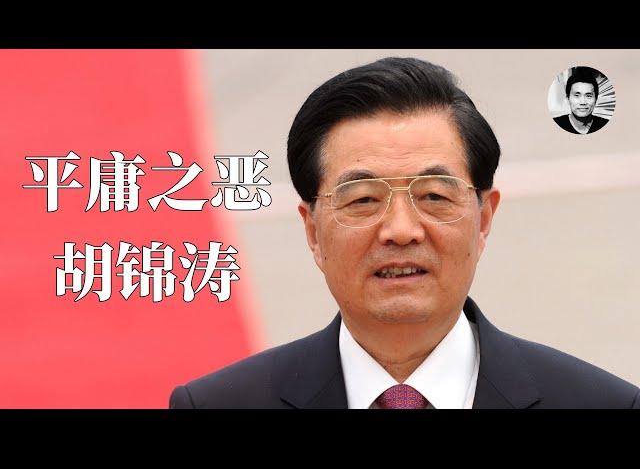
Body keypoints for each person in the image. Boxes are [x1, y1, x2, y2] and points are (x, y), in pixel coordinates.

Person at [170, 57, 639, 409]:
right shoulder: (217, 404)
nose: (400, 230)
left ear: (483, 219)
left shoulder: (603, 404)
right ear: (312, 231)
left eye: (433, 195)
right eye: (363, 199)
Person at [553, 67, 610, 134]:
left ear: (596, 99)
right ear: (568, 98)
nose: (583, 102)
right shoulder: (556, 124)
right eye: (577, 95)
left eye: (588, 96)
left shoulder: (606, 124)